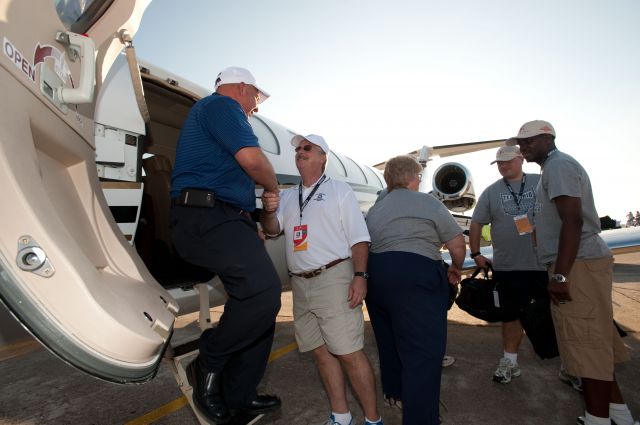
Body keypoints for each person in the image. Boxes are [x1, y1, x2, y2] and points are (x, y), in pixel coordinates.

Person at [170, 67, 282, 424]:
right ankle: (209, 361)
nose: (257, 107)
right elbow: (252, 161)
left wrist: (250, 223)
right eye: (256, 97)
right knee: (263, 292)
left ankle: (240, 393)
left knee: (261, 311)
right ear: (240, 88)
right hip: (204, 215)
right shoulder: (221, 105)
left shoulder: (219, 113)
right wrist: (273, 187)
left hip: (226, 217)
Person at [510, 120, 636, 425]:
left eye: (528, 142)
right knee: (595, 341)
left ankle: (597, 419)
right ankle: (618, 413)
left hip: (577, 266)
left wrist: (561, 275)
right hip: (577, 264)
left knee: (587, 344)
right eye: (520, 143)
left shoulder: (558, 167)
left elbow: (573, 221)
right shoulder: (551, 170)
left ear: (547, 139)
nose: (522, 148)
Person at [260, 134, 382, 425]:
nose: (300, 152)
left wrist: (360, 276)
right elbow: (273, 229)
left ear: (322, 157)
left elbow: (359, 238)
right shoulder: (288, 196)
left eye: (307, 148)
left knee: (349, 353)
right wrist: (267, 210)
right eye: (298, 149)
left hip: (334, 277)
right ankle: (341, 416)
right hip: (300, 283)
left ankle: (373, 420)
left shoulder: (340, 191)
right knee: (321, 352)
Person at [365, 155, 466, 425]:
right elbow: (457, 244)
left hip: (377, 278)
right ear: (414, 178)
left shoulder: (376, 209)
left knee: (388, 339)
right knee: (423, 353)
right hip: (416, 276)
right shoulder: (427, 202)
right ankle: (421, 418)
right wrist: (455, 268)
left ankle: (395, 392)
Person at [469, 144, 549, 384]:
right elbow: (476, 223)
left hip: (543, 265)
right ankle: (510, 363)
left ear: (521, 159)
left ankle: (572, 366)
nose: (503, 166)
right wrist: (475, 254)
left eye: (508, 161)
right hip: (507, 267)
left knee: (554, 316)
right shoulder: (492, 191)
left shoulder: (541, 182)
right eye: (499, 163)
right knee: (510, 316)